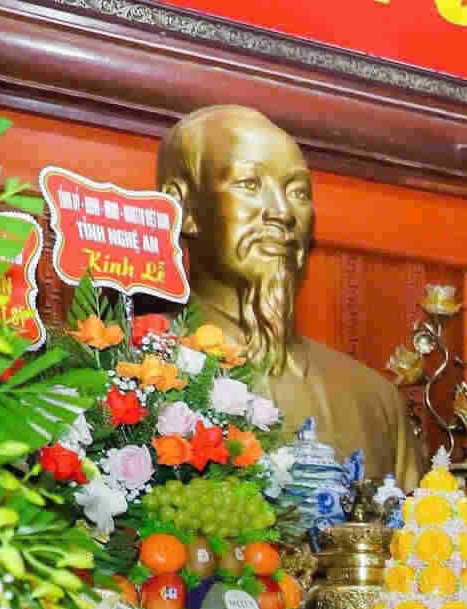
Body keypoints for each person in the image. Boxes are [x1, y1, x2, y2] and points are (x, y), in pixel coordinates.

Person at [157, 106, 425, 484]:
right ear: (182, 206)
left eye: (298, 192)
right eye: (249, 184)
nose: (282, 213)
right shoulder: (135, 374)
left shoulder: (375, 401)